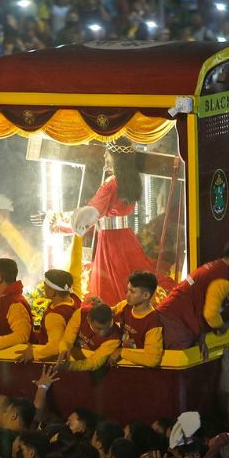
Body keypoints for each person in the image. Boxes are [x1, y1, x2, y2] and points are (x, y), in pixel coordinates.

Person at [71, 141, 155, 304]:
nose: (104, 156)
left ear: (116, 157)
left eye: (107, 153)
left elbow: (93, 210)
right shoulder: (132, 180)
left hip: (109, 240)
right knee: (126, 276)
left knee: (110, 284)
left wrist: (69, 223)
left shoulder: (111, 183)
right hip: (126, 237)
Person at [157, 238, 229, 356]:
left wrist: (200, 337)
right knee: (176, 369)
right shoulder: (222, 279)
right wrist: (221, 326)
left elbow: (199, 302)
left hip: (165, 316)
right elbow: (210, 314)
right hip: (176, 324)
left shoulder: (214, 267)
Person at [18, 269, 81, 363]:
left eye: (46, 285)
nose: (43, 287)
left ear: (52, 292)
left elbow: (55, 347)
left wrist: (33, 353)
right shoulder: (74, 299)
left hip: (51, 362)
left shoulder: (55, 316)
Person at [108, 270, 163, 368]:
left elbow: (152, 360)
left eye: (132, 291)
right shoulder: (125, 305)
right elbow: (108, 314)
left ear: (146, 295)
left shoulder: (153, 322)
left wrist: (121, 352)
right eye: (128, 290)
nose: (127, 294)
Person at [57, 302, 122, 371]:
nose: (103, 333)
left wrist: (69, 366)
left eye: (108, 327)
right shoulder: (81, 314)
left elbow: (94, 362)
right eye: (99, 329)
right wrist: (64, 349)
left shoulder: (115, 337)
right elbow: (67, 340)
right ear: (89, 320)